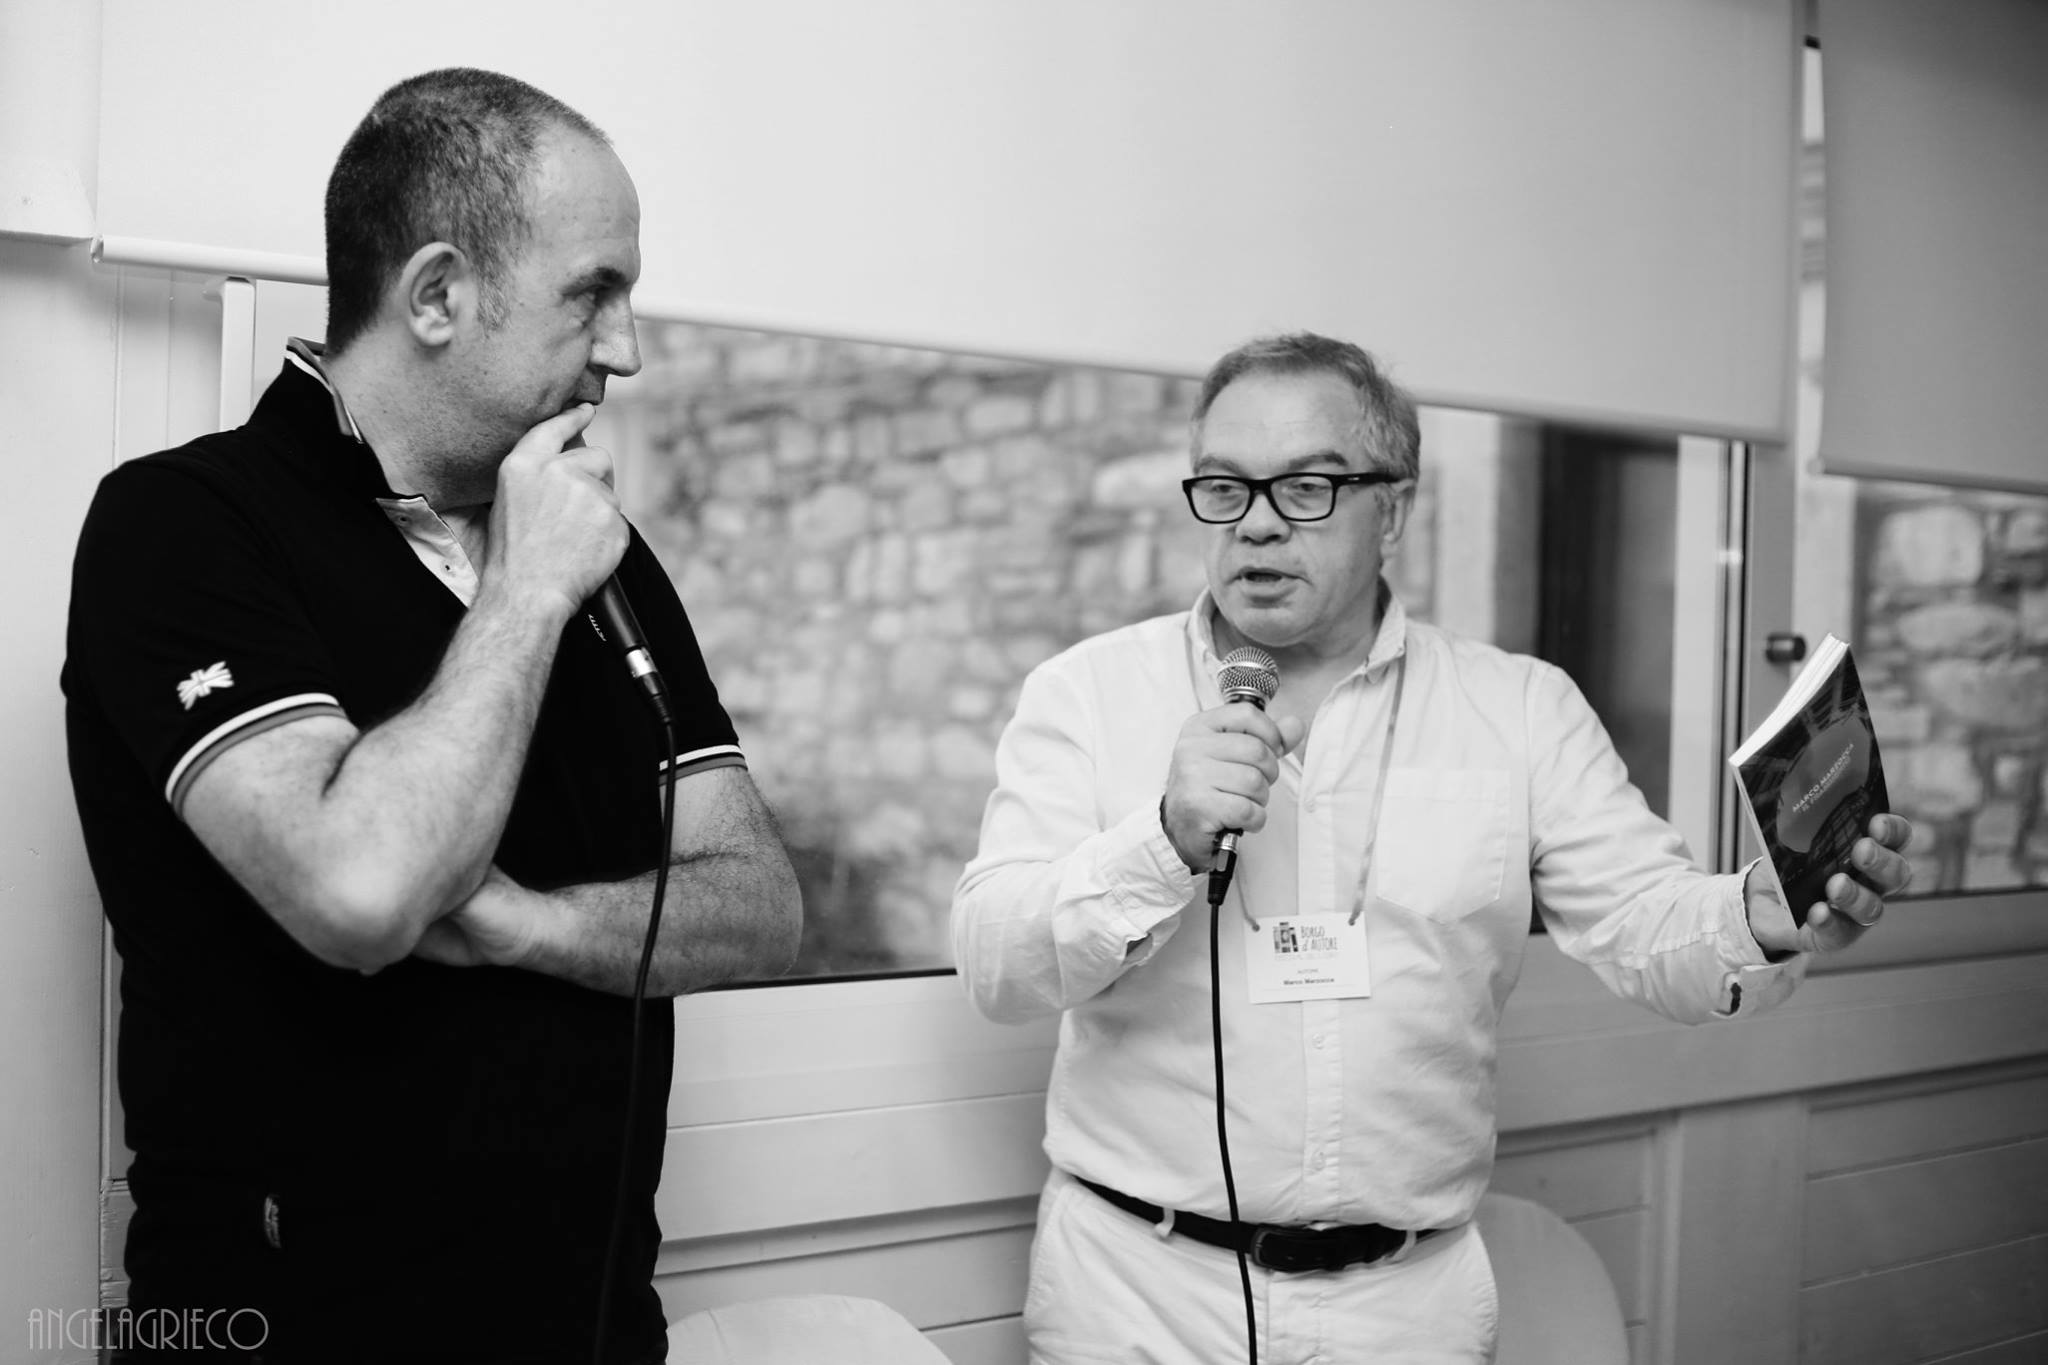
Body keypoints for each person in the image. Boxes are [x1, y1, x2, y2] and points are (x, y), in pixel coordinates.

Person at [951, 332, 1914, 1364]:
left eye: (1307, 487)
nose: (1258, 523)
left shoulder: (1519, 706)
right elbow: (997, 964)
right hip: (1137, 1296)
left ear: (1395, 509)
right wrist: (1161, 839)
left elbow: (1646, 926)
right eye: (1224, 488)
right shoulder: (1089, 693)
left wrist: (1758, 915)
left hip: (1405, 1309)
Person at [63, 68, 802, 1363]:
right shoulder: (183, 525)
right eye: (592, 293)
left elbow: (760, 905)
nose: (626, 348)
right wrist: (523, 593)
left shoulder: (597, 550)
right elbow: (361, 892)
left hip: (591, 1328)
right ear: (438, 296)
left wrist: (535, 926)